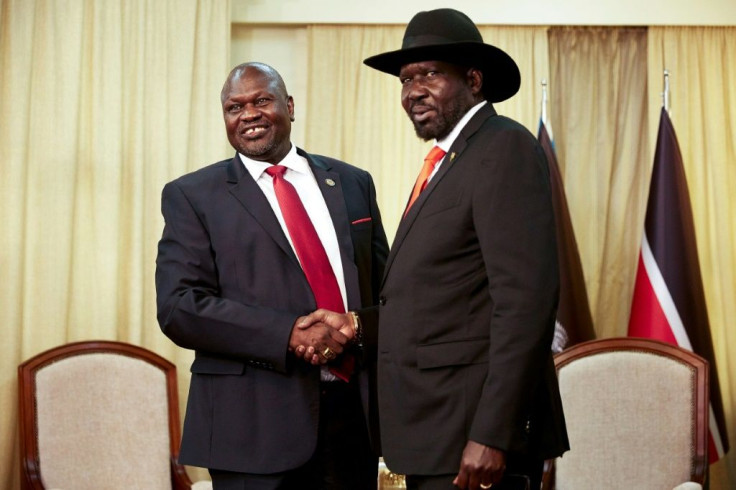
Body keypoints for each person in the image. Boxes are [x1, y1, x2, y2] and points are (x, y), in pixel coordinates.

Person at [155, 62, 388, 490]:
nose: (248, 114)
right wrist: (288, 334)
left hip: (355, 419)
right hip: (251, 428)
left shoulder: (353, 183)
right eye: (233, 107)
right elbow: (179, 306)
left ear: (290, 106)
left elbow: (389, 292)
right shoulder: (193, 196)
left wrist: (356, 328)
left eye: (261, 100)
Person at [363, 8, 569, 490]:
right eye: (405, 79)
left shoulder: (504, 148)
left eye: (430, 74)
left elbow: (526, 304)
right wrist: (354, 325)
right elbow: (436, 299)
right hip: (436, 434)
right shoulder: (452, 158)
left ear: (474, 80)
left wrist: (492, 435)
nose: (413, 90)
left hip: (474, 441)